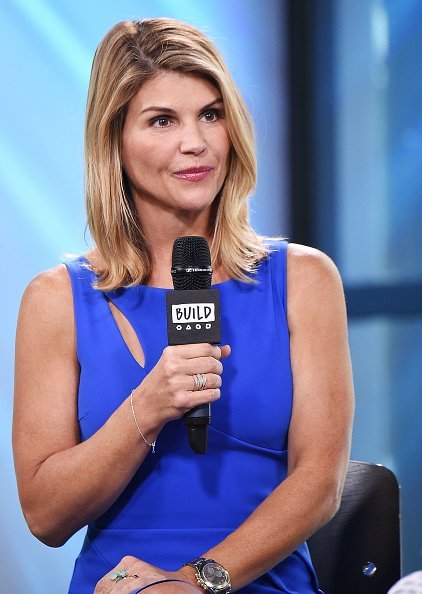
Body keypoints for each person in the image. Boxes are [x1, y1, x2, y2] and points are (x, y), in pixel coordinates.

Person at [12, 17, 354, 594]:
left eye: (210, 114)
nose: (195, 142)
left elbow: (319, 482)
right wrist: (146, 407)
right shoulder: (56, 300)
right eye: (162, 120)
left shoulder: (304, 279)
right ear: (114, 141)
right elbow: (46, 517)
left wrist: (196, 582)